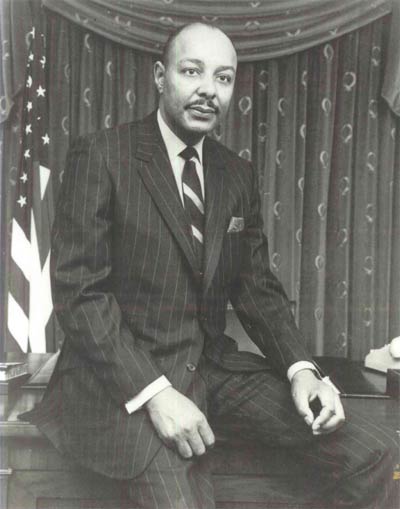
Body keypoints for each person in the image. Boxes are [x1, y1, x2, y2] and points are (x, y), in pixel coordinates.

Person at [28, 22, 398, 508]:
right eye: (191, 71)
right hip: (120, 386)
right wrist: (155, 394)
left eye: (223, 78)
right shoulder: (101, 155)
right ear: (161, 77)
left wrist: (300, 370)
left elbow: (257, 286)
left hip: (209, 368)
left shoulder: (235, 173)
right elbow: (80, 296)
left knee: (374, 452)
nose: (208, 89)